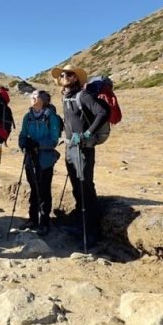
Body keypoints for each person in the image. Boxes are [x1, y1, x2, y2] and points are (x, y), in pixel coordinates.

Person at [52, 63, 108, 247]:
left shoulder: (81, 96)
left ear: (75, 77)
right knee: (77, 188)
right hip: (70, 148)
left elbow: (102, 113)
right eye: (62, 75)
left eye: (68, 74)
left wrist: (87, 134)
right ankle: (80, 226)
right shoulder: (67, 97)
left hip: (83, 149)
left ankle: (92, 232)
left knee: (85, 188)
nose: (64, 77)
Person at [17, 90, 61, 236]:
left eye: (35, 96)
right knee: (33, 189)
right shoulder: (27, 117)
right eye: (32, 96)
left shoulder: (51, 117)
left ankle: (44, 221)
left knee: (44, 190)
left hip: (45, 160)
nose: (32, 98)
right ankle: (33, 219)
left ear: (43, 100)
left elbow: (54, 140)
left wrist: (37, 144)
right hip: (30, 159)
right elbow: (22, 134)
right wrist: (23, 144)